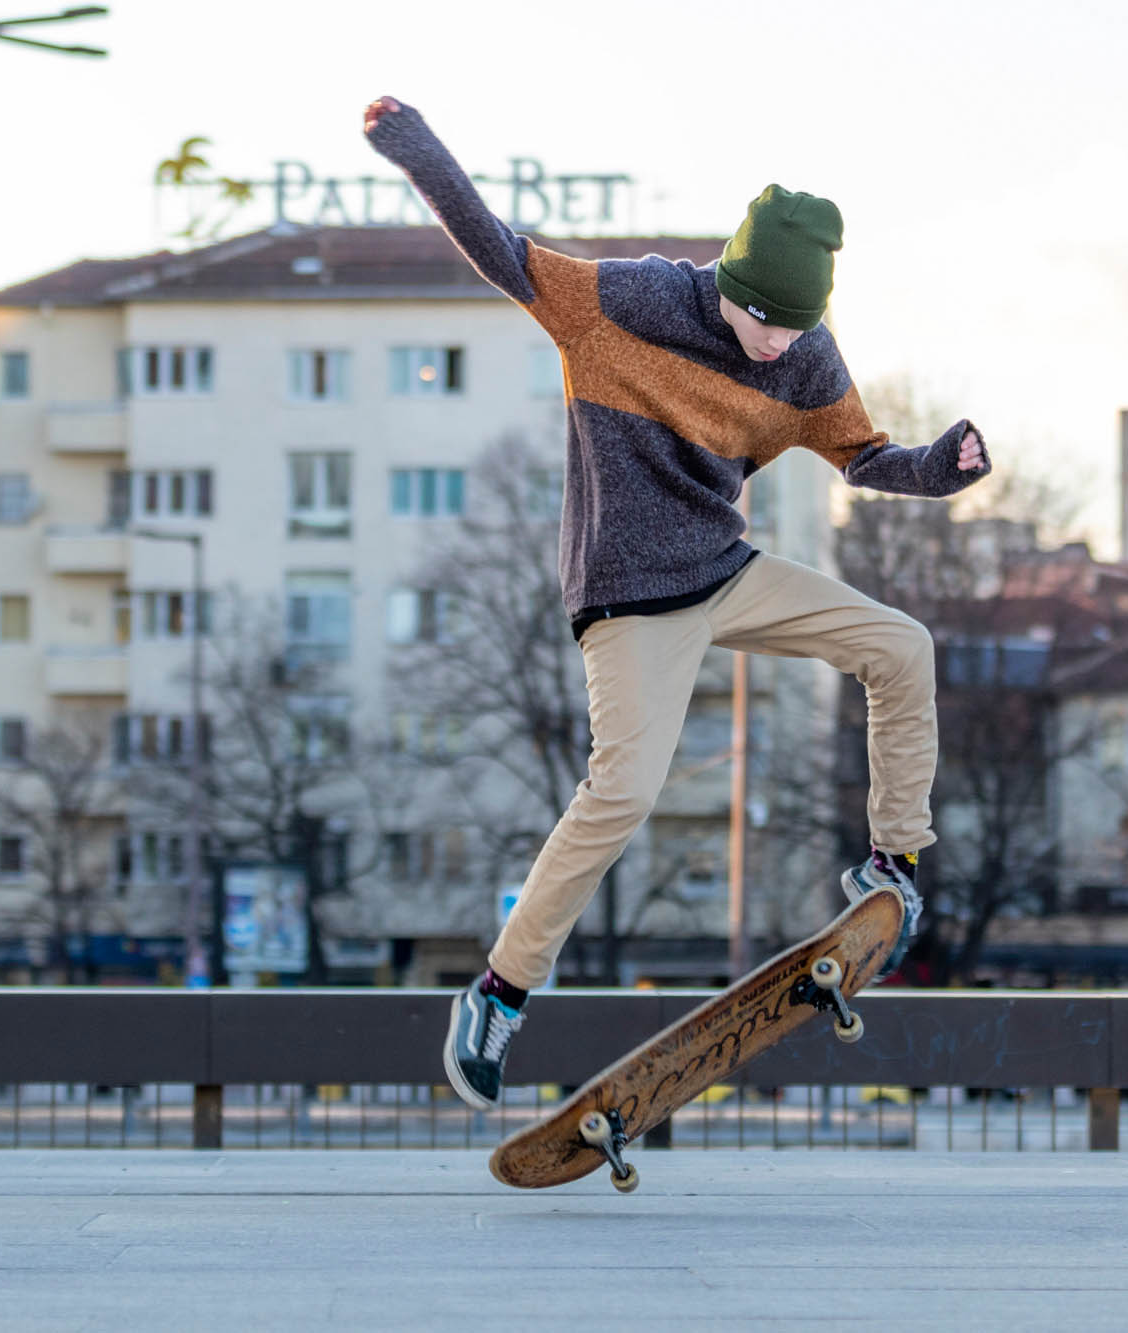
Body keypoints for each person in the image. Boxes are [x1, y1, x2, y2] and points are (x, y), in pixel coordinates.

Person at [362, 97, 991, 1110]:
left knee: (898, 645)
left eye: (797, 327)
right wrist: (415, 149)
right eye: (763, 322)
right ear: (726, 287)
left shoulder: (808, 355)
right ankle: (498, 991)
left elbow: (864, 458)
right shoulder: (617, 303)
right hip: (626, 592)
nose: (778, 346)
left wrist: (939, 467)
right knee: (621, 790)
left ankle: (891, 863)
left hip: (724, 568)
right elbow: (497, 249)